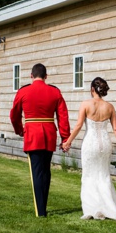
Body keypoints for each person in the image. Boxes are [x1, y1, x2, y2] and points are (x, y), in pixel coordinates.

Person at [62, 77, 116, 220]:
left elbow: (79, 125)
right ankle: (109, 205)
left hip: (90, 143)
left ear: (92, 89)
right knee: (103, 175)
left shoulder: (86, 104)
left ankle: (91, 208)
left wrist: (68, 142)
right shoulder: (109, 107)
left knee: (89, 175)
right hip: (105, 144)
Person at [10, 63, 70, 217]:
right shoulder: (55, 92)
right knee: (45, 171)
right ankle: (43, 206)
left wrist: (19, 130)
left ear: (31, 76)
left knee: (37, 172)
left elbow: (14, 115)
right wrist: (65, 137)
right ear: (46, 76)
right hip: (49, 134)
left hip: (32, 135)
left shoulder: (23, 91)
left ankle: (41, 211)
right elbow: (63, 116)